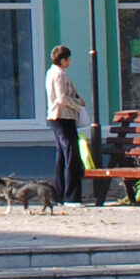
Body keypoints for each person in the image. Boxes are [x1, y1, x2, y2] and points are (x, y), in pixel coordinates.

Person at [44, 45, 87, 206]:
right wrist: (78, 104)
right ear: (62, 60)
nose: (70, 62)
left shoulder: (50, 72)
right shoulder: (60, 74)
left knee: (62, 156)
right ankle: (71, 196)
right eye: (68, 59)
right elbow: (62, 98)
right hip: (63, 116)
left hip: (55, 117)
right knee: (71, 155)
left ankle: (59, 194)